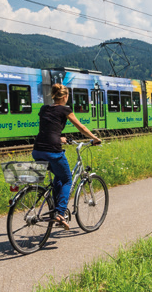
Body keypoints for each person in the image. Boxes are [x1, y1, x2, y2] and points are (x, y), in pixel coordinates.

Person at [32, 84, 101, 230]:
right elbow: (80, 127)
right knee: (67, 179)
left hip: (37, 150)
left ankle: (56, 207)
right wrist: (95, 138)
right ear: (64, 97)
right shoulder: (65, 109)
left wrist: (60, 137)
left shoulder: (44, 108)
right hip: (52, 150)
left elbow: (49, 127)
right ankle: (60, 213)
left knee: (58, 176)